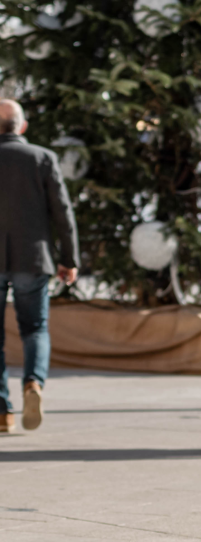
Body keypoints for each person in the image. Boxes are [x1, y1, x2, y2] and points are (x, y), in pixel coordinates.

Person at [0, 99, 78, 433]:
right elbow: (63, 211)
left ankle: (3, 412)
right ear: (22, 126)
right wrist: (69, 258)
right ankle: (33, 383)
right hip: (33, 257)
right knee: (35, 328)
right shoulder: (43, 158)